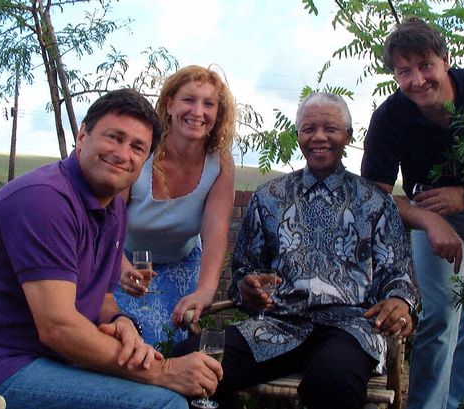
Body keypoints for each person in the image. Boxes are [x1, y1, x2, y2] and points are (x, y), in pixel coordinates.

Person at [0, 89, 222, 409]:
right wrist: (162, 370)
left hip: (45, 359)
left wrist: (124, 323)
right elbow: (58, 328)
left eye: (138, 147)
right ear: (82, 136)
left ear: (145, 161)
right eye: (114, 137)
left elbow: (103, 298)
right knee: (164, 404)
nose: (123, 153)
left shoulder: (112, 210)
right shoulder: (43, 199)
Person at [173, 92, 418, 409]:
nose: (318, 137)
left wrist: (399, 300)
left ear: (348, 135)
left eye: (330, 129)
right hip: (277, 326)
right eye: (308, 129)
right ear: (299, 135)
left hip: (349, 328)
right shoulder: (268, 197)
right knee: (190, 362)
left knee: (332, 379)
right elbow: (246, 270)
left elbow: (396, 273)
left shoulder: (375, 201)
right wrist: (249, 289)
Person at [360, 17, 464, 409]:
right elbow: (376, 196)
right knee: (439, 318)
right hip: (431, 219)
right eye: (404, 71)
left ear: (445, 60)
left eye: (425, 65)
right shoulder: (389, 117)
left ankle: (463, 404)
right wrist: (430, 219)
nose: (417, 79)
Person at [115, 65, 236, 346]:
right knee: (129, 339)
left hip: (182, 261)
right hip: (124, 258)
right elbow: (111, 219)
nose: (198, 111)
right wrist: (122, 269)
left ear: (218, 114)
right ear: (169, 104)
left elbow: (216, 230)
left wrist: (206, 290)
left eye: (209, 103)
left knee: (171, 342)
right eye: (188, 100)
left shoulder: (220, 162)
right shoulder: (142, 149)